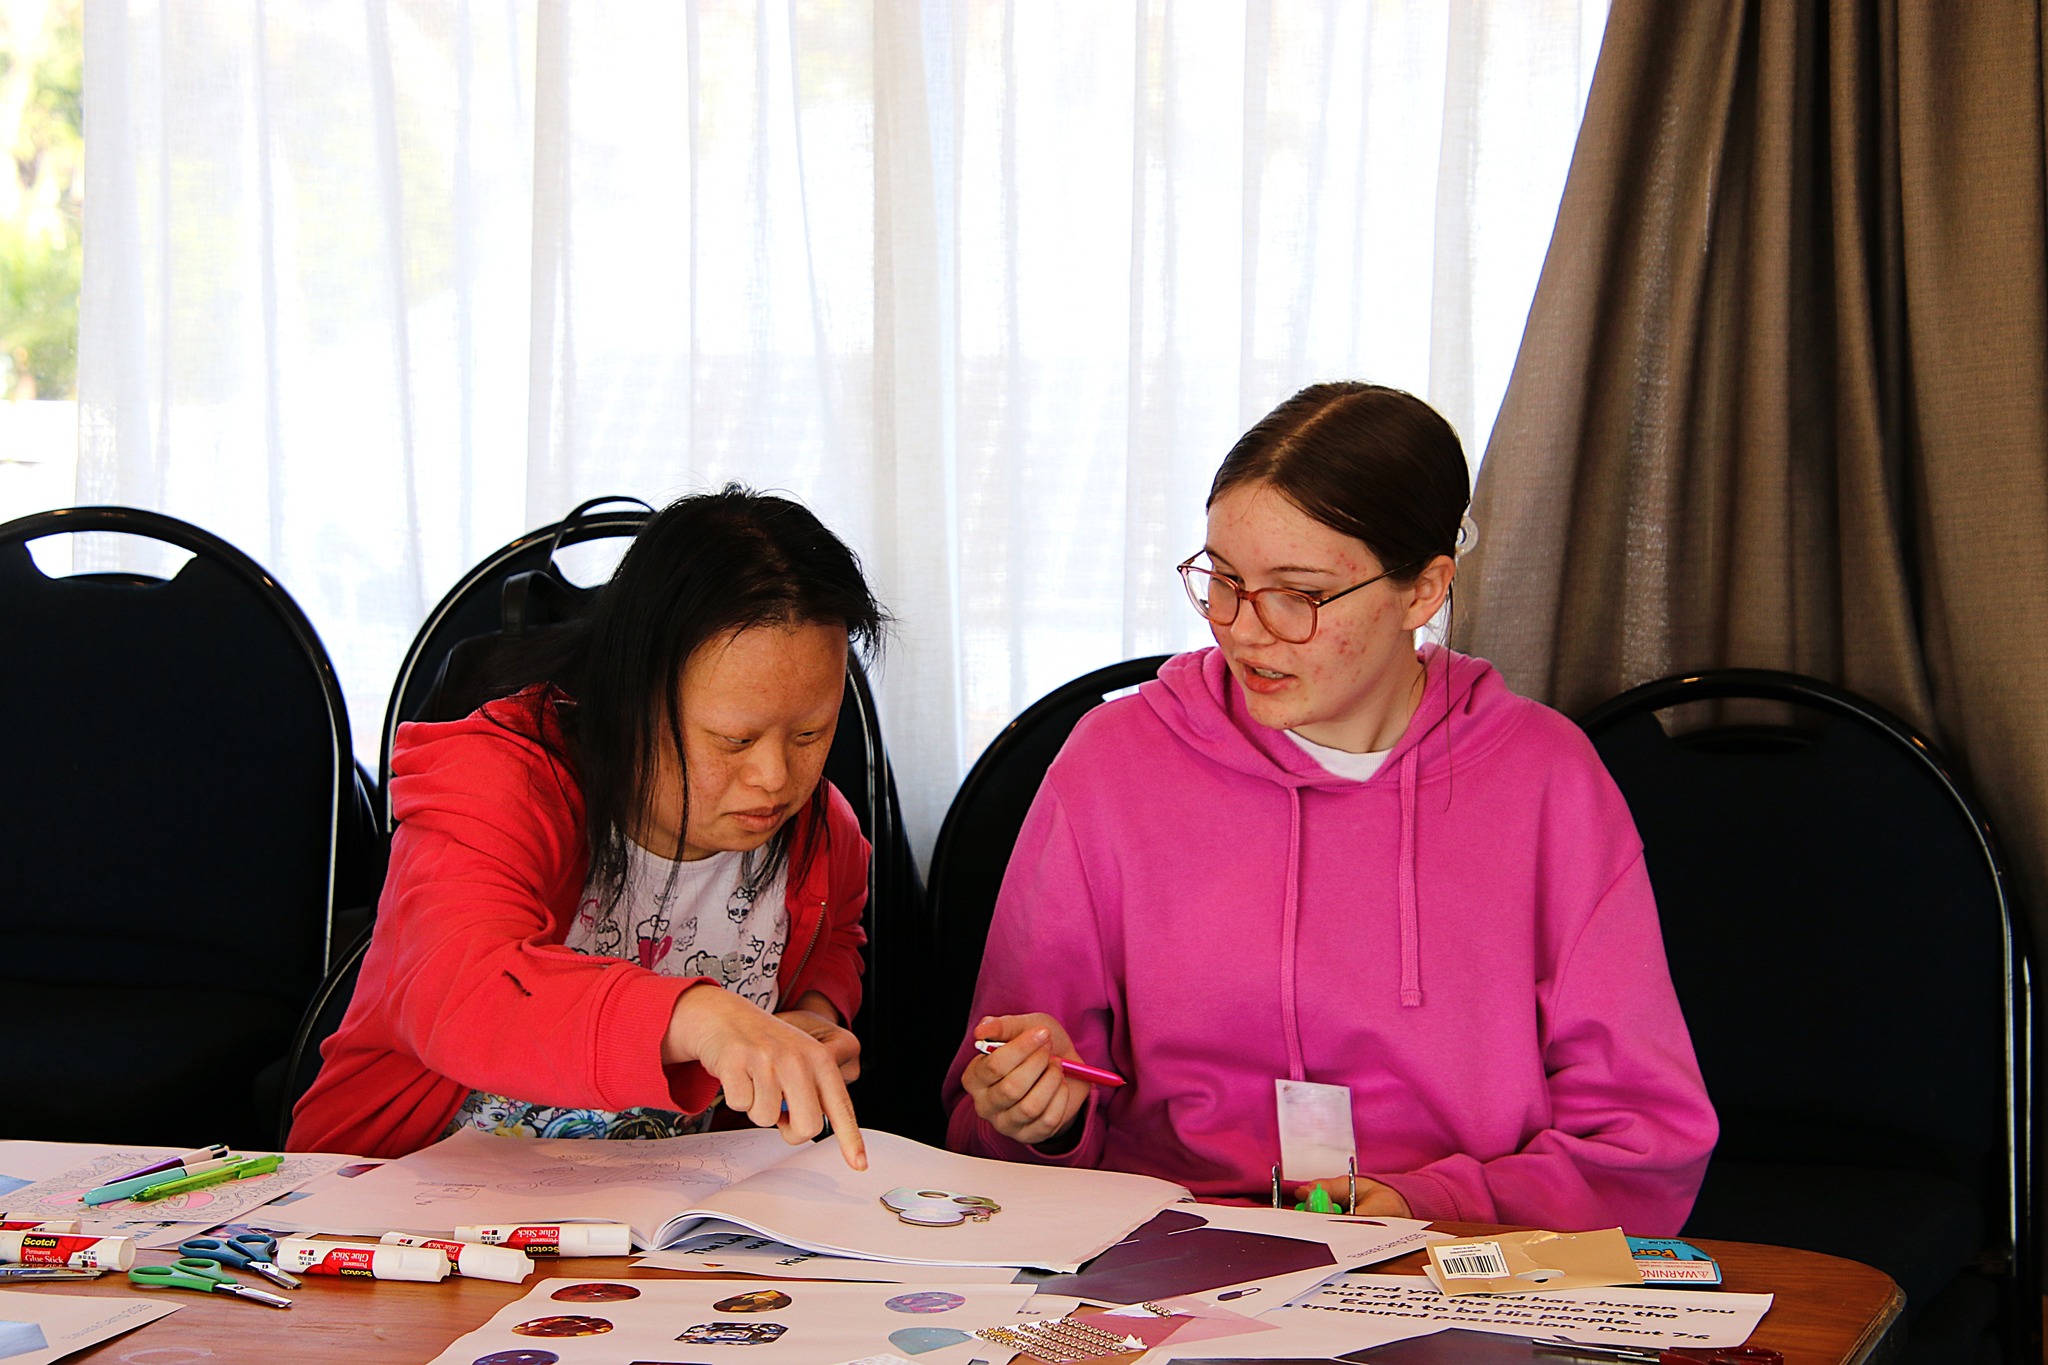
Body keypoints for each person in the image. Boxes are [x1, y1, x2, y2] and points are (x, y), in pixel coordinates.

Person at [943, 383, 1717, 1233]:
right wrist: (1034, 1115)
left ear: (1423, 591)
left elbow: (1646, 1141)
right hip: (1162, 1255)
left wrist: (1433, 1202)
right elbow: (990, 1111)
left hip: (1443, 1257)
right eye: (1224, 580)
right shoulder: (1113, 762)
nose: (1242, 628)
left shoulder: (1548, 779)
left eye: (1298, 594)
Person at [291, 487, 882, 1166]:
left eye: (811, 731)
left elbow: (836, 934)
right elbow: (461, 989)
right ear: (629, 695)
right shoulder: (499, 780)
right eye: (733, 738)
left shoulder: (819, 834)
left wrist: (810, 1016)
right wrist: (697, 1017)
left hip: (643, 1224)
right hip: (395, 1203)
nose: (776, 777)